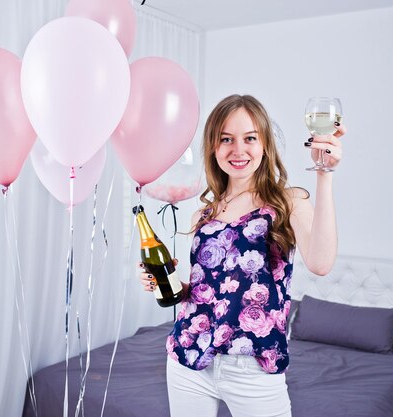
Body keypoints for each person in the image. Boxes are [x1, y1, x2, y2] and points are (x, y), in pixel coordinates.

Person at [138, 94, 345, 417]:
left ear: (264, 144)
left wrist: (325, 175)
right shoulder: (204, 215)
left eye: (249, 138)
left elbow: (321, 263)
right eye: (226, 140)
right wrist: (166, 282)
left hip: (254, 368)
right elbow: (204, 292)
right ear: (213, 148)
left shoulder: (287, 203)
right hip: (188, 358)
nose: (238, 150)